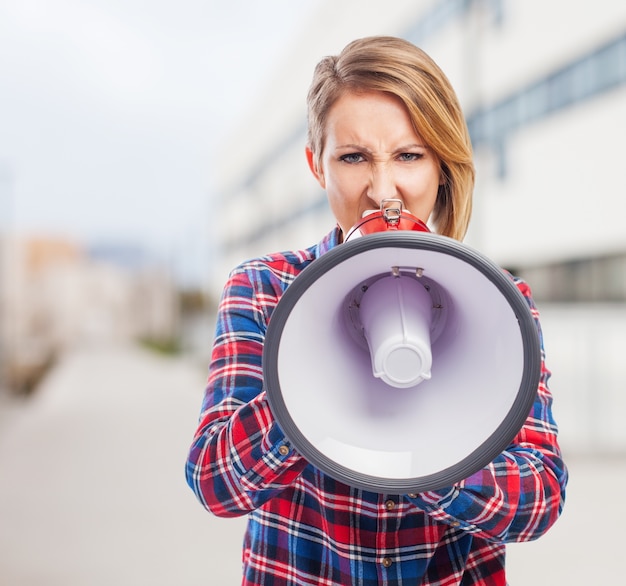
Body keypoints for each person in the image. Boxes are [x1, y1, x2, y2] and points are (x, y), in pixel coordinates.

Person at [186, 36, 568, 585]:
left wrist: (432, 457)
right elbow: (214, 483)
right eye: (354, 157)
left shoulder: (503, 303)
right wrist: (305, 391)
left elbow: (542, 499)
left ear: (442, 165)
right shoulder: (264, 291)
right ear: (318, 165)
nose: (383, 190)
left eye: (409, 155)